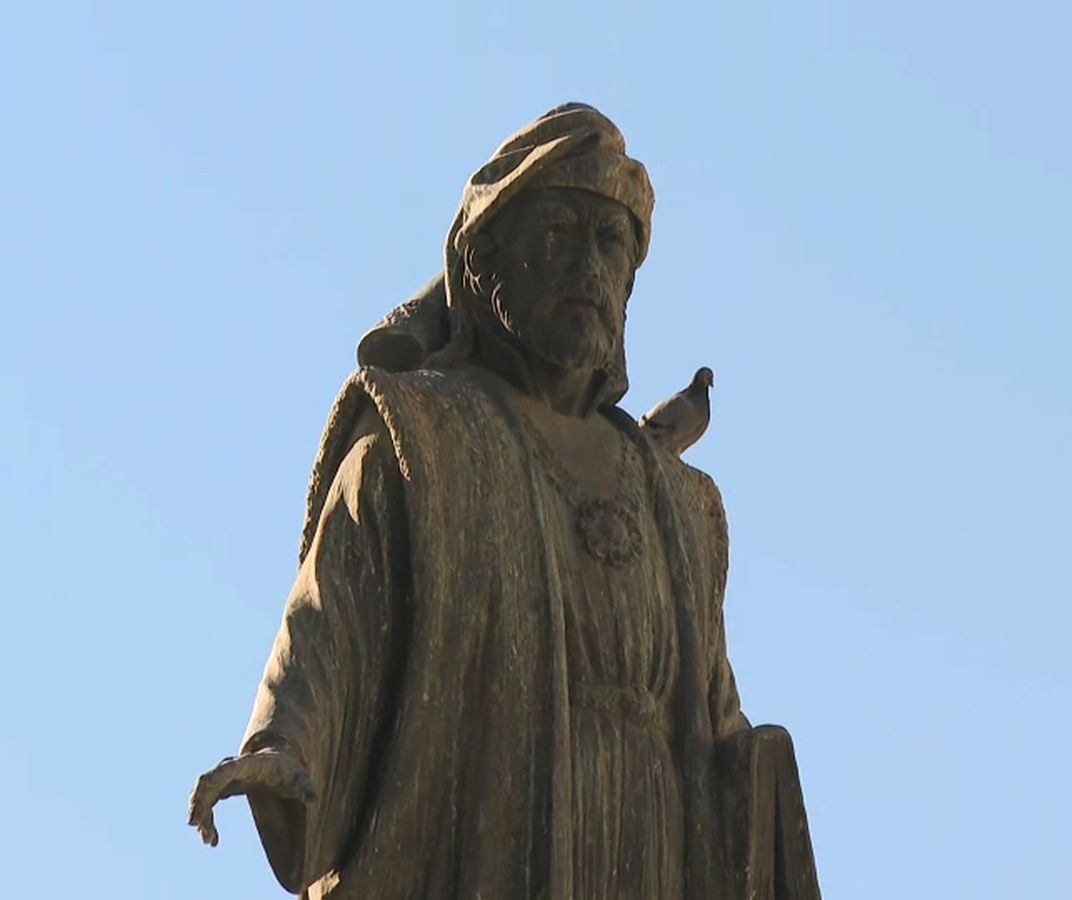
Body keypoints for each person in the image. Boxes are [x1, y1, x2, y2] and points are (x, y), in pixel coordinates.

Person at [187, 103, 819, 900]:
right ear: (485, 262)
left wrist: (757, 768)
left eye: (610, 244)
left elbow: (714, 718)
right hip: (484, 844)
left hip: (652, 853)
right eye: (556, 236)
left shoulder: (685, 510)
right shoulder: (422, 443)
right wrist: (287, 746)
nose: (589, 268)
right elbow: (333, 617)